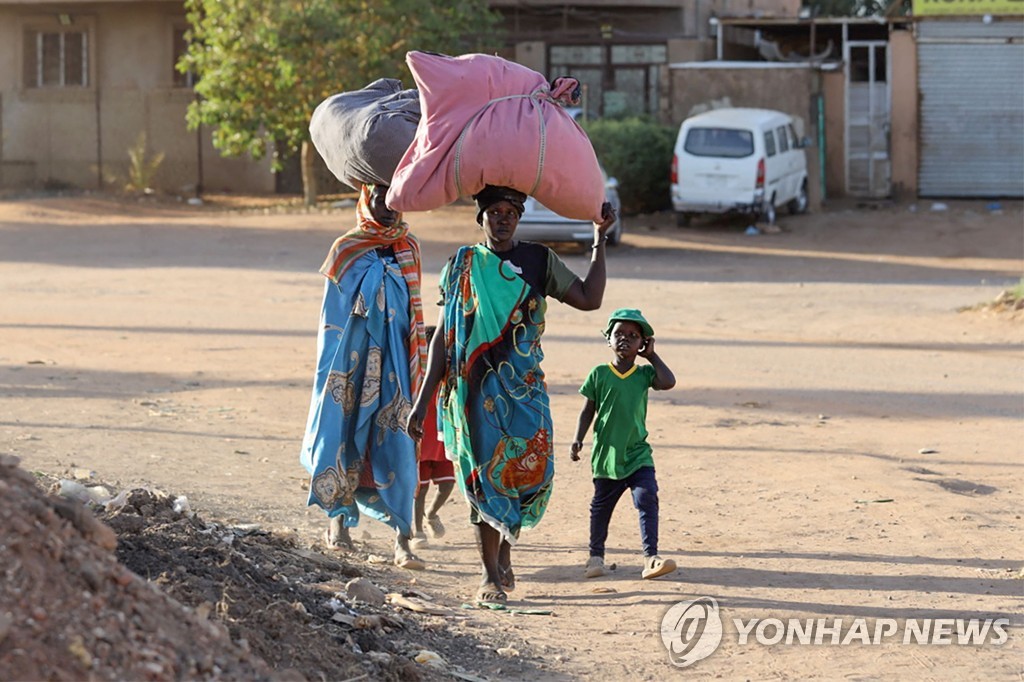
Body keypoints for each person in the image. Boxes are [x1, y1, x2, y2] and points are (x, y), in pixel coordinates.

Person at [406, 184, 617, 606]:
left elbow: (590, 300)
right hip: (472, 395)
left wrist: (598, 239)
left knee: (527, 474)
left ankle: (505, 547)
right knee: (483, 479)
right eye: (494, 211)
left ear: (519, 218)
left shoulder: (539, 260)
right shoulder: (461, 265)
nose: (502, 218)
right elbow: (445, 340)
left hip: (524, 390)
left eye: (511, 212)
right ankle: (488, 577)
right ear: (480, 217)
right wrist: (423, 399)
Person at [299, 183, 427, 570]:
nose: (387, 208)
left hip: (396, 366)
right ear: (365, 199)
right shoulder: (346, 250)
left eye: (395, 200)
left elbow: (413, 315)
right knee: (341, 434)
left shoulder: (409, 249)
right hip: (348, 366)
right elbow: (330, 321)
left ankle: (404, 539)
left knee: (400, 445)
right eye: (379, 199)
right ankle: (338, 523)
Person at [570, 308, 678, 580]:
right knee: (601, 508)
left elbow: (668, 382)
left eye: (633, 336)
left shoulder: (643, 375)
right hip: (607, 456)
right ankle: (596, 557)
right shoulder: (599, 373)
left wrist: (652, 356)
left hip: (638, 454)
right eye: (618, 334)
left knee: (646, 498)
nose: (625, 340)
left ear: (642, 343)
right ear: (608, 339)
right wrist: (577, 439)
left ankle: (651, 558)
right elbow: (588, 410)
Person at [412, 325, 455, 547]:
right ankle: (417, 529)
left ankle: (431, 513)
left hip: (441, 442)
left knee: (447, 486)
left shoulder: (449, 379)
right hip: (422, 442)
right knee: (421, 488)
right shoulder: (417, 379)